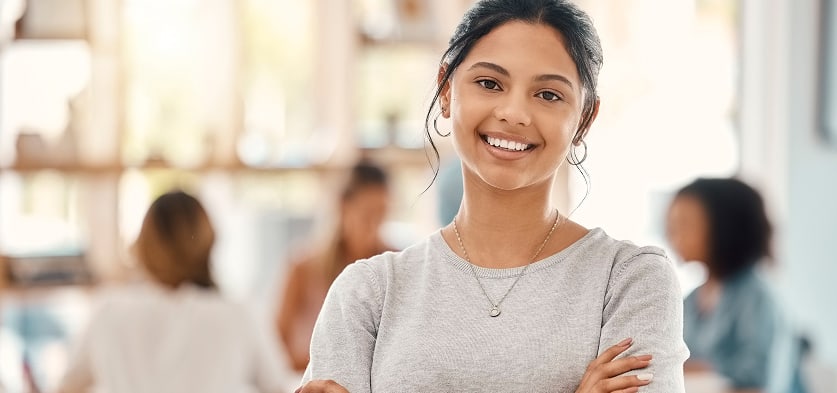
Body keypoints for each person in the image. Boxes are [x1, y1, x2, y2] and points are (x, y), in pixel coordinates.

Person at [296, 0, 690, 392]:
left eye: (549, 95)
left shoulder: (630, 281)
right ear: (446, 90)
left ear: (585, 119)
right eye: (489, 83)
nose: (514, 113)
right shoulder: (368, 292)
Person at [59, 191, 287, 393]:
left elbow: (66, 387)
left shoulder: (108, 311)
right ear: (209, 242)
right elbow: (278, 386)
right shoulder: (238, 314)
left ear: (144, 247)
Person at [666, 177, 808, 393]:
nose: (673, 235)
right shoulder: (692, 299)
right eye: (671, 225)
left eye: (685, 224)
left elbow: (759, 381)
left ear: (724, 227)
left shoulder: (757, 297)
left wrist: (693, 370)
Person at [276, 160, 394, 373]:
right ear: (343, 206)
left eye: (381, 215)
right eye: (367, 215)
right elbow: (274, 348)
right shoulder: (302, 269)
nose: (374, 226)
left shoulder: (394, 267)